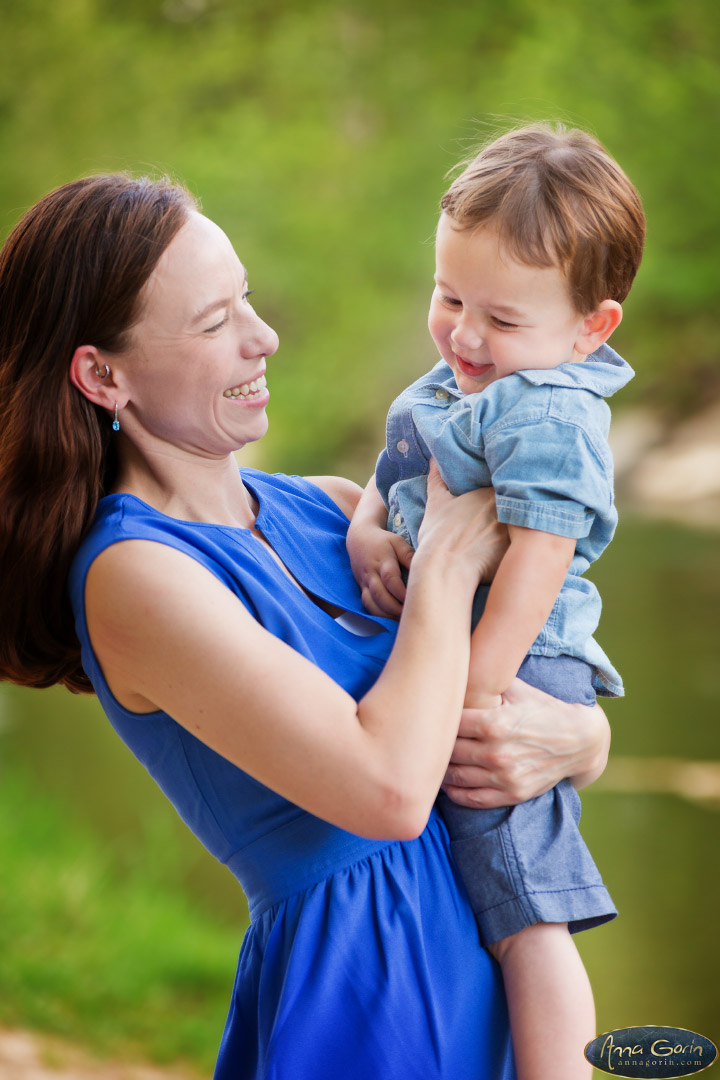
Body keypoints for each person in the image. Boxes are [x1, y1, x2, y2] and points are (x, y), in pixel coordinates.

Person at [0, 172, 612, 1080]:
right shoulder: (134, 575)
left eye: (246, 297)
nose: (264, 336)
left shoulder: (333, 513)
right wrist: (444, 559)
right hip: (367, 1004)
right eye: (215, 322)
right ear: (103, 374)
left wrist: (581, 738)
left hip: (497, 958)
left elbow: (521, 683)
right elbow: (392, 792)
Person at [347, 124, 645, 1080]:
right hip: (457, 647)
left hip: (516, 661)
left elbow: (537, 568)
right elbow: (394, 468)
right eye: (448, 298)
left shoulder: (552, 412)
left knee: (527, 912)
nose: (465, 336)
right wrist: (364, 527)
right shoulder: (468, 372)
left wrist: (470, 695)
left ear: (590, 327)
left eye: (503, 320)